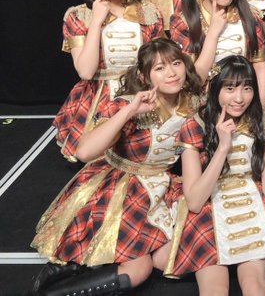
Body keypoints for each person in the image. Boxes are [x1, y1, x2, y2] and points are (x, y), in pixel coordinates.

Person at [32, 39, 202, 295]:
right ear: (144, 76)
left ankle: (80, 267)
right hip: (119, 189)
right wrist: (130, 111)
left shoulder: (193, 103)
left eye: (176, 63)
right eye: (160, 68)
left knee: (172, 259)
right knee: (139, 269)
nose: (171, 73)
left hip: (161, 189)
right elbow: (84, 152)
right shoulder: (128, 104)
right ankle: (61, 279)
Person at [164, 56, 265, 295]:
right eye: (230, 89)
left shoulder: (264, 122)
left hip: (252, 204)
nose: (239, 98)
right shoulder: (195, 124)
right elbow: (195, 201)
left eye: (247, 88)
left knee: (254, 284)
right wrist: (222, 147)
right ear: (215, 88)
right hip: (208, 210)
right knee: (215, 289)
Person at [53, 0, 164, 162]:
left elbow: (160, 63)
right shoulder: (79, 15)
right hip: (99, 98)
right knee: (96, 157)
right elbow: (86, 71)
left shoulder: (149, 13)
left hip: (141, 93)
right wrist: (96, 21)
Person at [169, 0, 265, 105]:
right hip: (203, 103)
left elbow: (259, 65)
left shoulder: (250, 16)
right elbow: (195, 79)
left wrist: (261, 107)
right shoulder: (184, 22)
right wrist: (213, 34)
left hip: (242, 101)